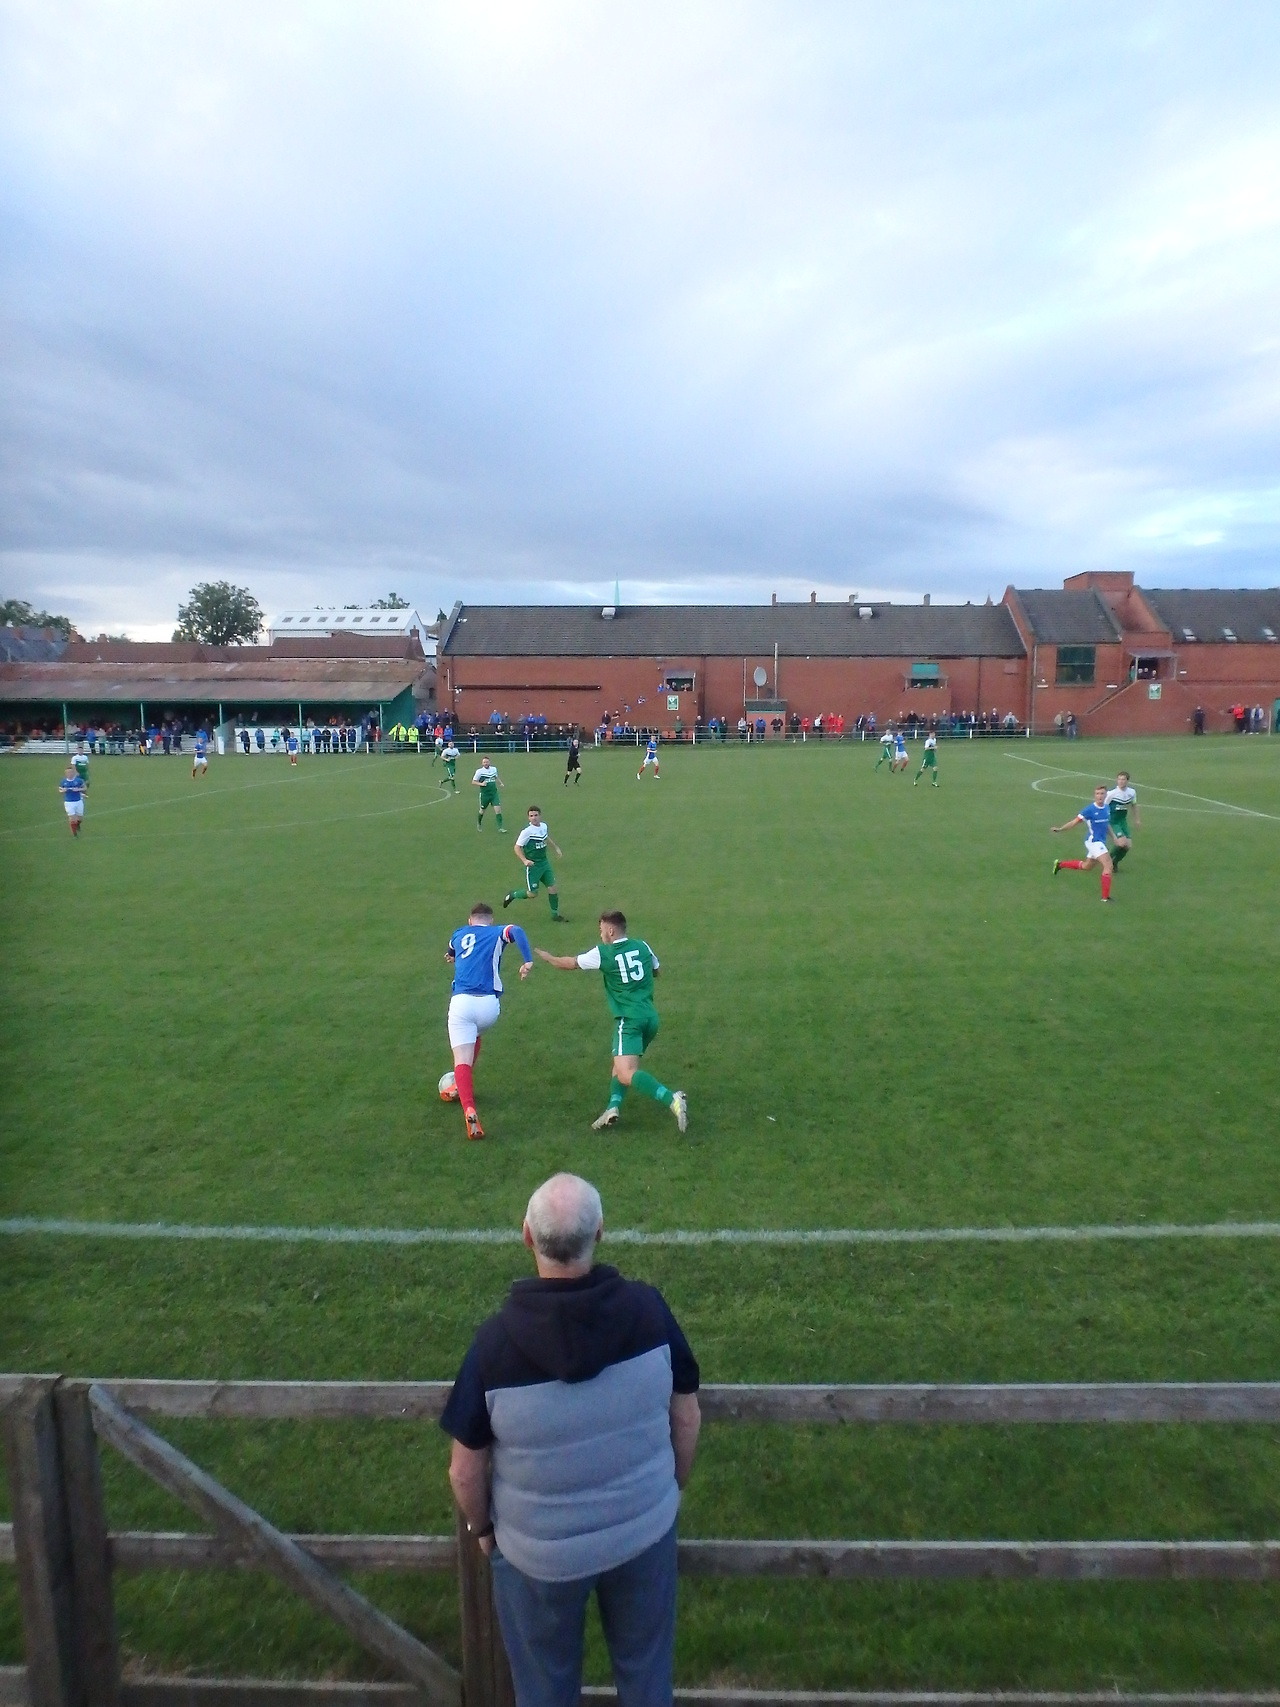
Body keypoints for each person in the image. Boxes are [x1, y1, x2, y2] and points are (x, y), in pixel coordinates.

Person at [442, 1172, 700, 1707]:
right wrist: (668, 1490)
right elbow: (687, 1418)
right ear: (600, 1233)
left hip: (536, 1557)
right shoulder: (650, 1312)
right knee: (647, 1683)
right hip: (643, 1532)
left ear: (527, 1237)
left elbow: (464, 1471)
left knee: (544, 1693)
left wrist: (483, 1528)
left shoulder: (493, 1347)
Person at [536, 911, 687, 1133]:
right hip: (650, 1018)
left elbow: (569, 963)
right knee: (619, 1065)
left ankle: (672, 1100)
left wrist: (548, 958)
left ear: (610, 930)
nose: (600, 934)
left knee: (626, 1072)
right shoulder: (643, 946)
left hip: (628, 1021)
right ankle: (612, 1108)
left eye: (601, 930)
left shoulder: (603, 953)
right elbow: (657, 971)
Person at [443, 902, 533, 1140]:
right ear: (490, 920)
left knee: (461, 1058)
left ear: (470, 920)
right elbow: (517, 931)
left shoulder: (459, 933)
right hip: (489, 1008)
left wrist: (452, 956)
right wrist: (528, 960)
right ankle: (457, 1087)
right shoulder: (497, 933)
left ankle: (469, 1108)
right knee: (475, 1036)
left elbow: (451, 952)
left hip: (462, 1004)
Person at [1052, 785, 1115, 902]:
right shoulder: (1089, 810)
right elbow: (1074, 822)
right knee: (1108, 865)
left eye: (1102, 794)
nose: (1100, 796)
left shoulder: (1107, 808)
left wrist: (1114, 837)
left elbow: (1106, 825)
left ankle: (1060, 865)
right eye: (1097, 794)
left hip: (1099, 842)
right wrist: (1060, 829)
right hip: (1093, 842)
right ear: (1094, 795)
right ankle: (1105, 898)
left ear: (1106, 795)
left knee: (1087, 866)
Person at [504, 807, 566, 921]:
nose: (534, 818)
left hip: (545, 863)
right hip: (533, 867)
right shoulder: (526, 832)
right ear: (528, 817)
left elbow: (546, 837)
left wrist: (556, 848)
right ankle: (513, 895)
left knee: (552, 888)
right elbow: (517, 847)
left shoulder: (543, 826)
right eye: (531, 816)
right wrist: (525, 860)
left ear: (540, 816)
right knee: (532, 894)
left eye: (536, 815)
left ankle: (555, 915)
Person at [1105, 771, 1140, 867]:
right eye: (1119, 779)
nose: (1121, 781)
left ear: (1127, 781)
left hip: (1122, 821)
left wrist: (1137, 819)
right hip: (1113, 821)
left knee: (1128, 846)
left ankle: (1114, 862)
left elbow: (1134, 805)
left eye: (1123, 779)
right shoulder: (1111, 794)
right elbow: (1103, 807)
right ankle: (1107, 860)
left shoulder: (1132, 792)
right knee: (1121, 843)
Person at [472, 759, 505, 831]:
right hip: (485, 795)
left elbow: (496, 777)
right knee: (482, 810)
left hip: (494, 794)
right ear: (482, 763)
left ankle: (500, 827)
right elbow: (473, 782)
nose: (486, 763)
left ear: (489, 762)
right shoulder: (479, 772)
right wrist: (481, 784)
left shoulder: (494, 769)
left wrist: (500, 783)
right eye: (484, 762)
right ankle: (479, 823)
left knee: (498, 810)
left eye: (487, 762)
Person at [59, 761, 87, 836]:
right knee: (72, 818)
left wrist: (78, 790)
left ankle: (78, 825)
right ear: (66, 774)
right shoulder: (63, 782)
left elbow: (84, 787)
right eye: (68, 773)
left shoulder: (78, 780)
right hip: (68, 802)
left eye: (71, 772)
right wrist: (63, 791)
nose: (69, 774)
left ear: (73, 773)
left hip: (78, 801)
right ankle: (74, 833)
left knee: (80, 818)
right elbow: (60, 790)